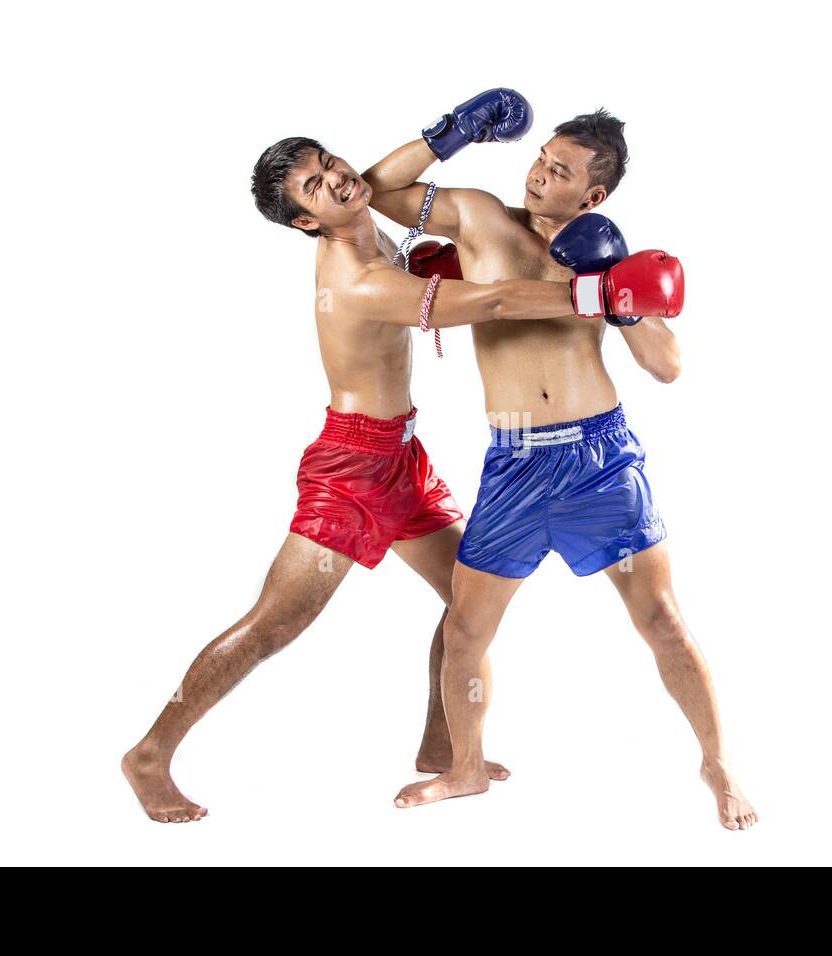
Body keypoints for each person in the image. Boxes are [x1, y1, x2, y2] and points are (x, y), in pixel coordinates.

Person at [122, 99, 683, 822]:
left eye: (329, 164)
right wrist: (600, 293)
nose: (337, 180)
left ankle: (441, 745)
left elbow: (382, 183)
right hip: (351, 471)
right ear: (305, 223)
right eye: (316, 189)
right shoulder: (358, 276)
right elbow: (495, 304)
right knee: (274, 624)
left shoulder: (374, 232)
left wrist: (448, 133)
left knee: (467, 604)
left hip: (400, 457)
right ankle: (149, 754)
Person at [364, 95, 758, 829]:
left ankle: (718, 764)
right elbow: (379, 191)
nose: (539, 175)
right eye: (540, 159)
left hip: (600, 459)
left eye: (560, 171)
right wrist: (449, 136)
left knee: (662, 620)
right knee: (466, 631)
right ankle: (467, 768)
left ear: (595, 194)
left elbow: (668, 367)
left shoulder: (605, 248)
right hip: (513, 463)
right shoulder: (481, 218)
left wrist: (624, 297)